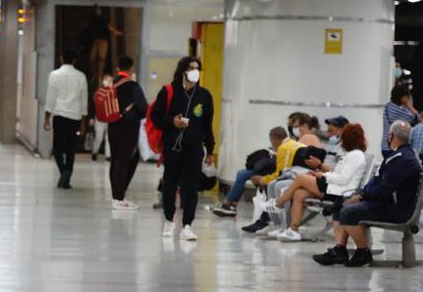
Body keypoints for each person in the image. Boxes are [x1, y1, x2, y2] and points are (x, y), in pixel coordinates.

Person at [314, 121, 423, 268]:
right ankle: (340, 249)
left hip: (397, 211)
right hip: (389, 203)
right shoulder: (400, 156)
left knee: (347, 211)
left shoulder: (403, 159)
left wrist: (363, 197)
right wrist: (362, 194)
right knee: (343, 204)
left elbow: (385, 187)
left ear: (391, 136)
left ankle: (363, 252)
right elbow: (380, 182)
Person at [150, 55, 215, 241]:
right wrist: (172, 122)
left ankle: (187, 225)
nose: (195, 72)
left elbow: (207, 125)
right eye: (191, 68)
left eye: (197, 68)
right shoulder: (168, 91)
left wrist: (210, 150)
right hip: (172, 148)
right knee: (169, 186)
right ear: (183, 71)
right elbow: (156, 116)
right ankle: (169, 221)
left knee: (191, 188)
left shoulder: (204, 96)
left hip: (194, 149)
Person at [269, 124, 368, 241]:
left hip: (340, 191)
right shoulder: (351, 154)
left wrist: (323, 175)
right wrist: (320, 167)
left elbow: (343, 179)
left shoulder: (355, 155)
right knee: (299, 193)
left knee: (301, 178)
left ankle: (278, 204)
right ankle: (293, 230)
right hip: (335, 187)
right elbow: (338, 172)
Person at [212, 127, 293, 217]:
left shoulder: (284, 148)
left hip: (272, 173)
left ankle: (228, 204)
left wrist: (263, 179)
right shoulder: (282, 146)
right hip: (269, 170)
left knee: (244, 175)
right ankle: (230, 205)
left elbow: (280, 171)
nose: (271, 143)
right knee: (242, 173)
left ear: (275, 138)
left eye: (271, 140)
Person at [107, 56, 148, 210]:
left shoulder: (112, 84)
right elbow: (143, 108)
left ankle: (116, 196)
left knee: (116, 159)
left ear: (118, 68)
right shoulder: (132, 85)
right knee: (127, 159)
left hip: (113, 124)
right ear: (131, 68)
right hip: (129, 126)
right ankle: (119, 197)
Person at [44, 50, 89, 189]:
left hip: (59, 115)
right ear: (74, 60)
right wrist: (83, 122)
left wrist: (47, 118)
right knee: (71, 148)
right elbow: (84, 100)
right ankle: (67, 177)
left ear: (61, 58)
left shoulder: (54, 75)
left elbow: (50, 97)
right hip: (75, 116)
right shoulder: (81, 76)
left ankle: (63, 171)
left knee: (57, 147)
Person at [87, 4, 121, 86]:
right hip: (96, 40)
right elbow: (89, 27)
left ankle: (99, 76)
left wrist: (115, 32)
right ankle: (94, 76)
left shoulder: (104, 18)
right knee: (92, 58)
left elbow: (108, 26)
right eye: (97, 10)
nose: (98, 11)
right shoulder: (93, 18)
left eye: (99, 9)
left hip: (103, 40)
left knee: (102, 59)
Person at [381, 84, 419, 153]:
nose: (409, 98)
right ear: (403, 97)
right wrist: (410, 106)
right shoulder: (397, 110)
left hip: (387, 146)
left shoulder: (389, 106)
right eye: (407, 96)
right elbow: (416, 119)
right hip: (394, 147)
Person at [90, 74, 113, 162]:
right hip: (99, 118)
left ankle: (108, 155)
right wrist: (92, 118)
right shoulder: (98, 92)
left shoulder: (113, 92)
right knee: (99, 137)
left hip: (110, 118)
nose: (109, 82)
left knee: (109, 137)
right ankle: (95, 152)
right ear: (104, 81)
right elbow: (93, 106)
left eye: (111, 80)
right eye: (108, 80)